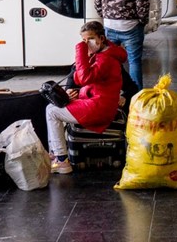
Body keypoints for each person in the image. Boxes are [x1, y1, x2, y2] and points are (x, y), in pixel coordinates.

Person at [46, 21, 128, 175]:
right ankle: (57, 154)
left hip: (98, 108)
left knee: (51, 112)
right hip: (98, 104)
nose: (86, 44)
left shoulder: (105, 59)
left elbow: (84, 78)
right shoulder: (105, 54)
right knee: (51, 108)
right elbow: (77, 78)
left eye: (89, 39)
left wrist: (80, 50)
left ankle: (62, 160)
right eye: (83, 41)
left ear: (101, 39)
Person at [95, 0, 149, 88]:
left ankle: (114, 92)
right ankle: (135, 97)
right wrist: (142, 22)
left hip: (109, 26)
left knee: (111, 61)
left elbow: (97, 2)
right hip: (131, 26)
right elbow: (142, 5)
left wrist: (106, 17)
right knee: (134, 61)